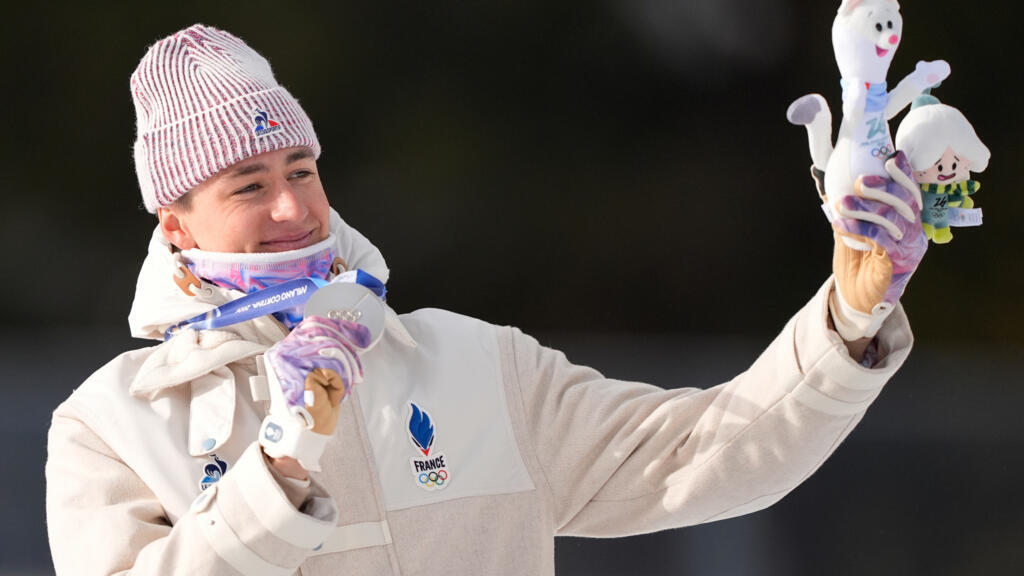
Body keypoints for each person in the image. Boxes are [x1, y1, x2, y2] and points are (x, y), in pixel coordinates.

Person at [45, 24, 926, 576]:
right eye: (246, 184)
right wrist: (275, 469)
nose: (291, 208)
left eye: (301, 170)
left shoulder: (475, 366)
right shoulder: (112, 424)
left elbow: (709, 454)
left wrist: (848, 321)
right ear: (177, 222)